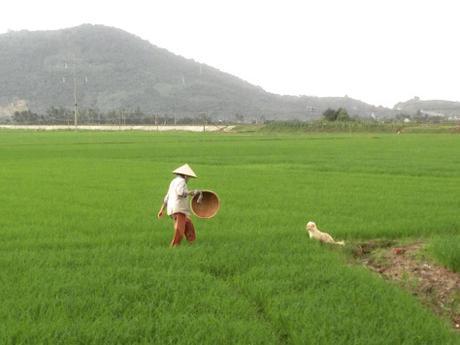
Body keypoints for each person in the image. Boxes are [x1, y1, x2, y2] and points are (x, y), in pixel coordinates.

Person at [157, 164, 199, 247]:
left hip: (172, 209)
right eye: (189, 177)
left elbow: (167, 197)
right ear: (186, 175)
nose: (189, 179)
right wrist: (192, 192)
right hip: (179, 209)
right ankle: (174, 246)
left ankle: (192, 243)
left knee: (188, 224)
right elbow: (180, 193)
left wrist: (161, 210)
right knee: (179, 229)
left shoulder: (173, 181)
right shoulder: (182, 181)